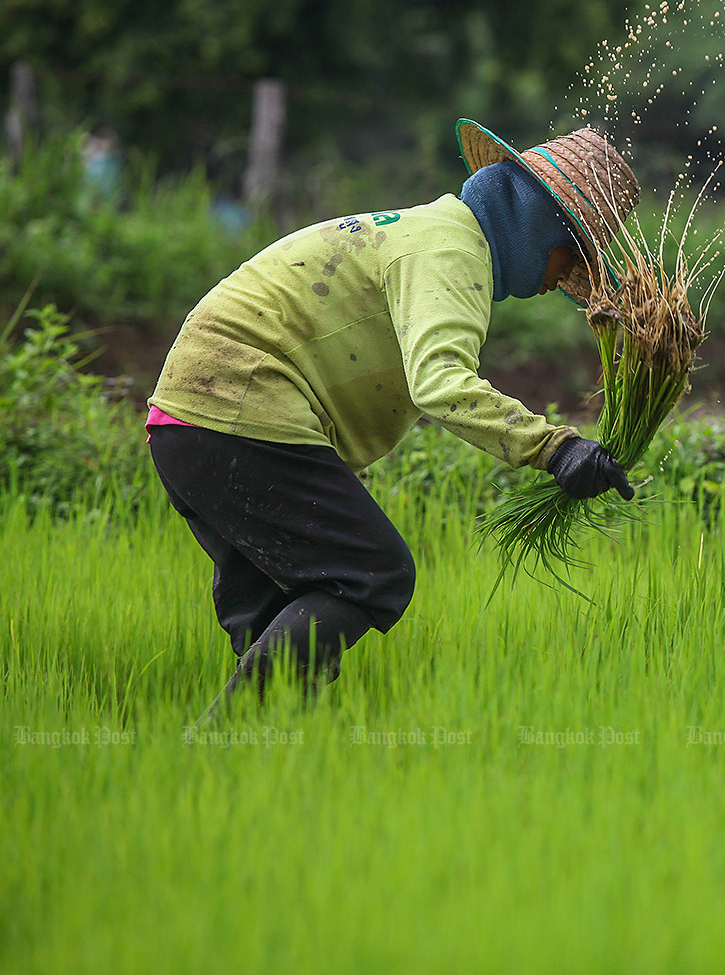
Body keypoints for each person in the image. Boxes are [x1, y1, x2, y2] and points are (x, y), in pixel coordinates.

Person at [148, 119, 640, 722]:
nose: (558, 282)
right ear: (539, 227)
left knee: (275, 614)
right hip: (240, 409)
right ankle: (220, 739)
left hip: (187, 422)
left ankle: (238, 766)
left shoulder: (427, 232)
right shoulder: (451, 253)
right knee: (373, 572)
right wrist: (556, 450)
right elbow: (441, 384)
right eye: (571, 258)